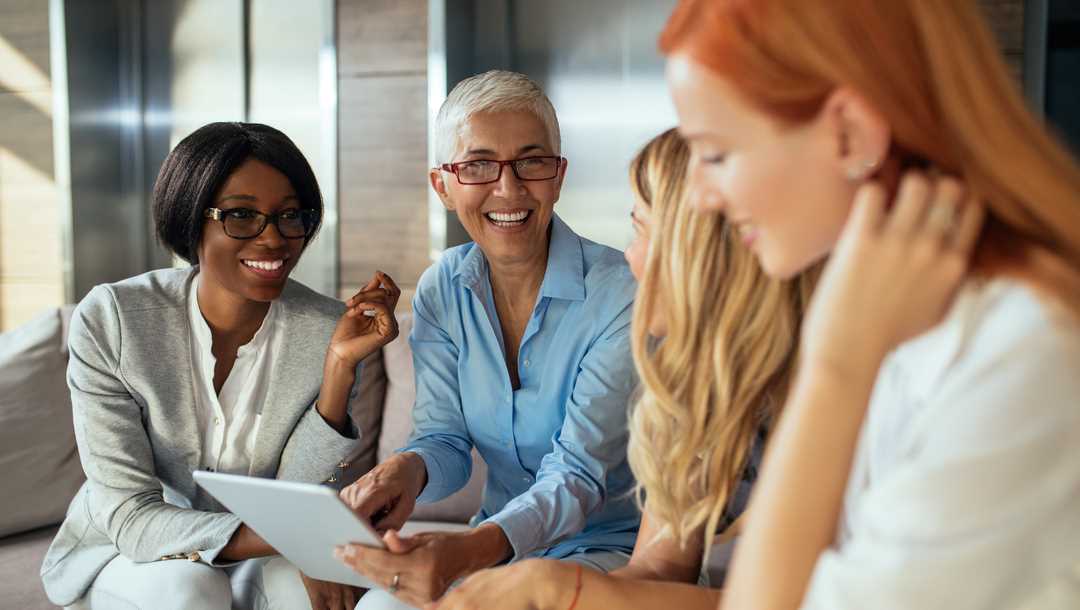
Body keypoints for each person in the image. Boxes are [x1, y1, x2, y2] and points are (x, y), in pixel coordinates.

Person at [659, 1, 1080, 609]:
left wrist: (836, 365)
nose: (698, 196)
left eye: (716, 153)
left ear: (851, 133)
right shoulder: (911, 316)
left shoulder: (1024, 357)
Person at [433, 129, 817, 610]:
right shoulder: (695, 387)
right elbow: (661, 569)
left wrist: (560, 589)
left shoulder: (827, 388)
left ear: (701, 249)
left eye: (641, 229)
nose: (629, 256)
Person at [40, 122, 399, 610]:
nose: (274, 239)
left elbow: (294, 495)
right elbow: (130, 516)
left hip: (256, 551)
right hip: (127, 555)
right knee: (189, 589)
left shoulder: (326, 327)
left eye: (290, 215)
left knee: (309, 596)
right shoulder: (114, 319)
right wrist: (300, 542)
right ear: (191, 218)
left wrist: (338, 368)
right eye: (242, 216)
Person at [334, 70, 641, 610]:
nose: (509, 187)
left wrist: (470, 551)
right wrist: (405, 469)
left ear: (559, 174)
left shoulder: (620, 294)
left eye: (532, 161)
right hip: (497, 549)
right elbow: (445, 440)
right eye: (477, 165)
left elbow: (578, 475)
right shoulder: (442, 288)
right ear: (443, 186)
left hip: (610, 553)